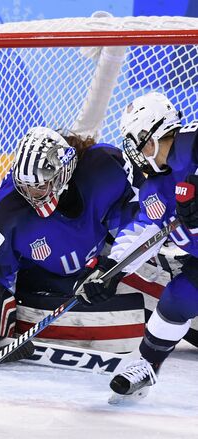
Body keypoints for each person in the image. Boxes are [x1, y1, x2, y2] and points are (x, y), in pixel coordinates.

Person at [0, 126, 144, 352]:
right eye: (25, 186)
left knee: (166, 289)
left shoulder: (106, 165)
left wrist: (112, 268)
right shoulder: (6, 213)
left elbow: (144, 218)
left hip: (99, 261)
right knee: (123, 325)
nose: (31, 195)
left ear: (63, 174)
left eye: (39, 187)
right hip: (43, 285)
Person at [75, 91, 198, 403]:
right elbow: (142, 231)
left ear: (152, 136)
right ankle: (146, 365)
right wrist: (110, 272)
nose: (137, 153)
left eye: (137, 142)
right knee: (178, 298)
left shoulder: (194, 143)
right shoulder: (155, 188)